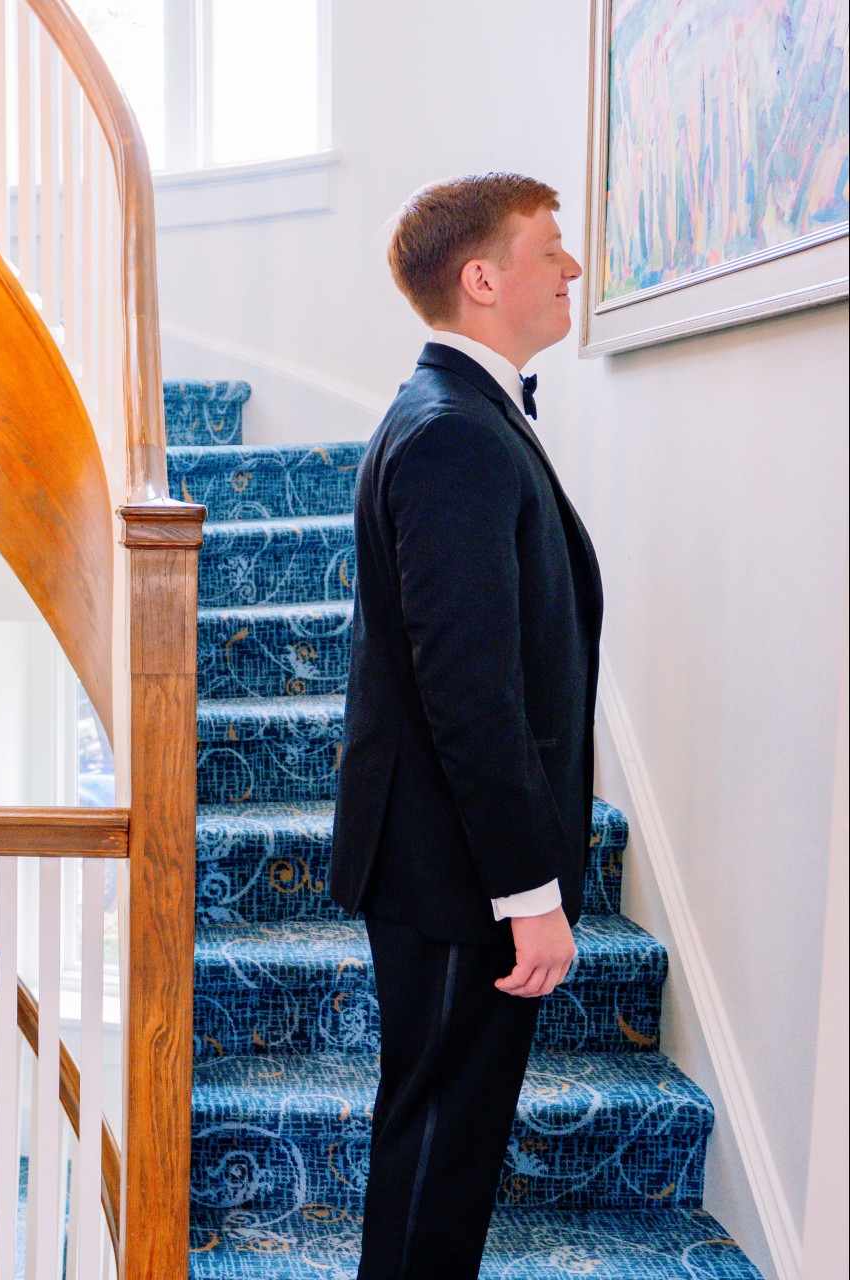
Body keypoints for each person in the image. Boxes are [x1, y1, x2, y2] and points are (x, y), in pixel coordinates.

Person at [329, 174, 604, 1277]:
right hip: (457, 876)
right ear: (482, 279)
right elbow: (469, 690)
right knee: (441, 1147)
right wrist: (528, 892)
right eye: (551, 249)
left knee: (443, 1142)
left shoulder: (459, 414)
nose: (571, 268)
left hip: (445, 864)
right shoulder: (452, 432)